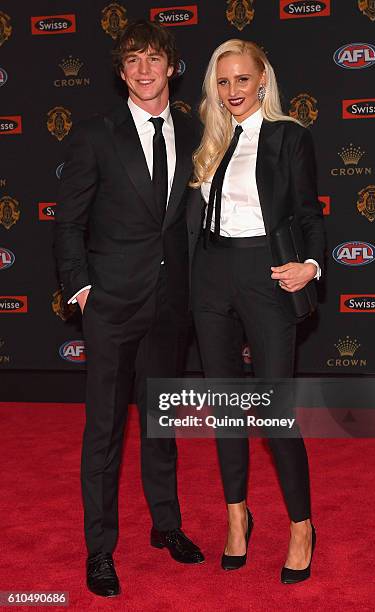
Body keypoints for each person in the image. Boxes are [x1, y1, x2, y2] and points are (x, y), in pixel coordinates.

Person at [54, 20, 204, 598]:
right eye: (132, 61)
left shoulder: (193, 132)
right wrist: (82, 287)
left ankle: (166, 526)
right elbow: (68, 220)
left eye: (153, 59)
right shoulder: (96, 134)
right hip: (111, 304)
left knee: (161, 425)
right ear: (121, 74)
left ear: (172, 66)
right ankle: (100, 550)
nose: (144, 70)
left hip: (171, 306)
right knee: (106, 432)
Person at [188, 39, 325, 582]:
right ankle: (237, 517)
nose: (232, 91)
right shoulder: (211, 142)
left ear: (262, 81)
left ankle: (300, 525)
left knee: (273, 412)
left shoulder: (290, 136)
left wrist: (311, 264)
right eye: (222, 82)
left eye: (242, 79)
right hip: (211, 280)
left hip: (266, 279)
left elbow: (310, 211)